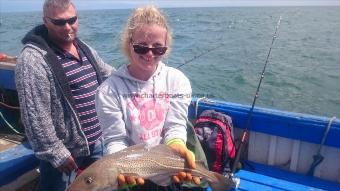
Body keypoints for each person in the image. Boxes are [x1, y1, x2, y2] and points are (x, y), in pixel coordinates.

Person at [95, 5, 200, 190]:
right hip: (133, 176)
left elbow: (175, 126)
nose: (149, 54)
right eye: (141, 47)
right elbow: (115, 139)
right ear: (129, 44)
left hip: (168, 171)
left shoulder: (177, 80)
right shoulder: (108, 91)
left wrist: (176, 144)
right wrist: (121, 170)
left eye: (158, 48)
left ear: (166, 48)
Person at [15, 0, 113, 190]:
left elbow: (108, 74)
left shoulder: (82, 46)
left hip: (97, 143)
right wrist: (55, 152)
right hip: (66, 155)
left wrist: (137, 75)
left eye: (72, 20)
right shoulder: (32, 60)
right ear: (46, 21)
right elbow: (35, 115)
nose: (68, 27)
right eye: (59, 22)